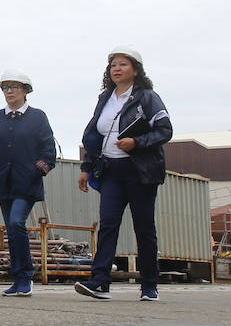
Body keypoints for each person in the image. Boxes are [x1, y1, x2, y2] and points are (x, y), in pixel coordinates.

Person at [74, 47, 172, 303]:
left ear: (136, 70)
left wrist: (136, 143)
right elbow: (96, 136)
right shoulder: (105, 98)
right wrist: (86, 167)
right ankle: (100, 282)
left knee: (144, 228)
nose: (116, 68)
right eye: (113, 65)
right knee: (107, 225)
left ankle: (149, 285)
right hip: (111, 171)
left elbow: (165, 130)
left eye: (123, 64)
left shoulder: (148, 98)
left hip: (140, 172)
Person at [0, 68, 56, 297]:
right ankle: (18, 278)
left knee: (16, 222)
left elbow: (47, 149)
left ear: (25, 90)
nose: (9, 91)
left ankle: (25, 276)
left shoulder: (38, 117)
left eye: (14, 87)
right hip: (2, 182)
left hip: (26, 182)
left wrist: (39, 169)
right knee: (12, 229)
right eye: (5, 87)